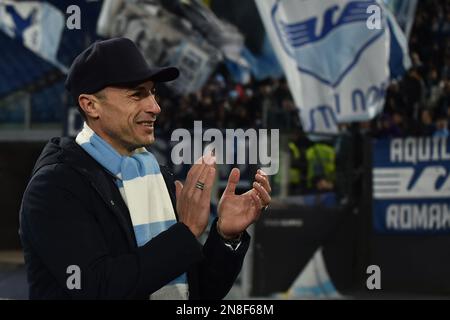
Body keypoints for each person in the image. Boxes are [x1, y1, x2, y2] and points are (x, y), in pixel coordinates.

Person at [19, 38, 271, 300]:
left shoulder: (156, 176)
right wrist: (184, 234)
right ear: (90, 105)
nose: (154, 107)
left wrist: (225, 237)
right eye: (136, 94)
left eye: (152, 92)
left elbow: (196, 294)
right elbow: (97, 289)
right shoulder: (55, 186)